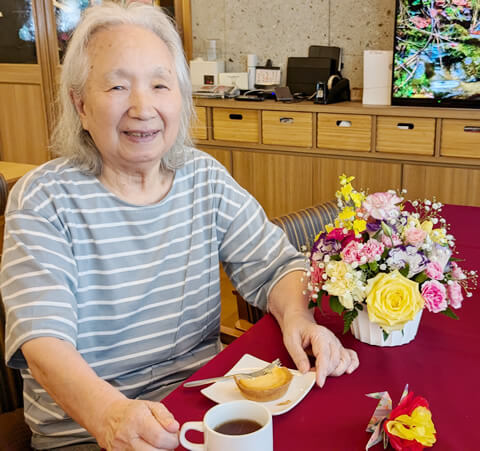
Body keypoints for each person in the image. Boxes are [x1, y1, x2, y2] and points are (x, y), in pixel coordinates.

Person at [0, 2, 359, 450]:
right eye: (116, 86)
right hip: (90, 430)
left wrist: (297, 317)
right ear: (81, 105)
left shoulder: (202, 177)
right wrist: (109, 415)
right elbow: (42, 340)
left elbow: (276, 266)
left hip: (202, 409)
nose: (142, 106)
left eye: (159, 84)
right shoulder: (44, 198)